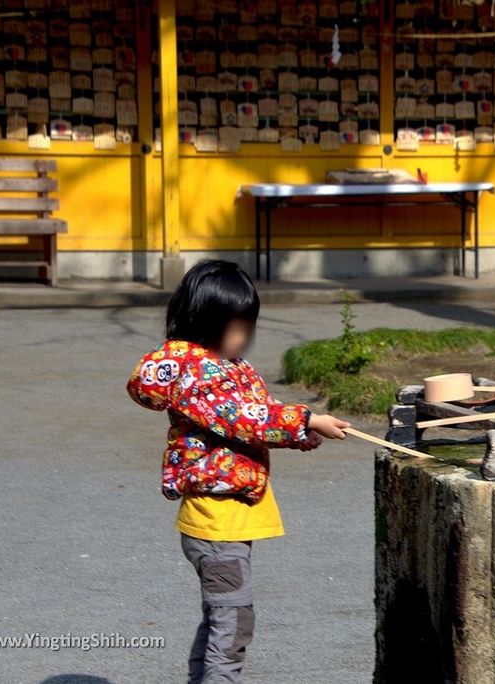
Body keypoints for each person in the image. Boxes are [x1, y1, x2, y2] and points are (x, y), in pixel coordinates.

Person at [126, 259, 351, 683]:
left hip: (227, 523)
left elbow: (254, 418)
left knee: (222, 621)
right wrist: (303, 420)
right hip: (216, 527)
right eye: (239, 326)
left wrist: (299, 433)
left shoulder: (226, 365)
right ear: (206, 322)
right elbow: (239, 416)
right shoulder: (196, 374)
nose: (246, 336)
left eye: (250, 325)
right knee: (231, 627)